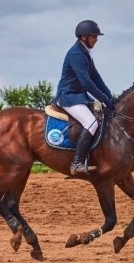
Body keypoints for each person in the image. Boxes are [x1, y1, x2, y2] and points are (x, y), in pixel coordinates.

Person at [52, 20, 114, 175]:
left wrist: (109, 96)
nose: (97, 39)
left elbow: (96, 77)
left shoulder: (85, 52)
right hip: (69, 96)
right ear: (84, 37)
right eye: (94, 36)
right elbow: (86, 82)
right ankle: (76, 163)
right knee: (91, 123)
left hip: (79, 96)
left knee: (99, 119)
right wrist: (103, 99)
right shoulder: (76, 54)